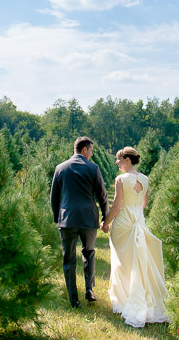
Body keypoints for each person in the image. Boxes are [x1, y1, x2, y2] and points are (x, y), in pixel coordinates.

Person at [101, 146, 168, 327]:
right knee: (137, 262)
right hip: (139, 220)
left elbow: (116, 206)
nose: (117, 163)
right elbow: (144, 204)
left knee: (122, 263)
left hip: (123, 223)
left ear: (127, 160)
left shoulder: (121, 179)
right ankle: (136, 299)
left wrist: (106, 222)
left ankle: (123, 301)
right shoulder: (145, 179)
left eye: (119, 159)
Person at [50, 136, 110, 308]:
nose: (92, 154)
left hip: (67, 219)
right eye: (91, 151)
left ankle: (73, 298)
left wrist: (57, 218)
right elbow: (102, 195)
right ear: (84, 150)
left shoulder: (60, 168)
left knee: (68, 259)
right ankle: (89, 289)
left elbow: (54, 197)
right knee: (89, 252)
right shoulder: (93, 168)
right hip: (88, 218)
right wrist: (105, 217)